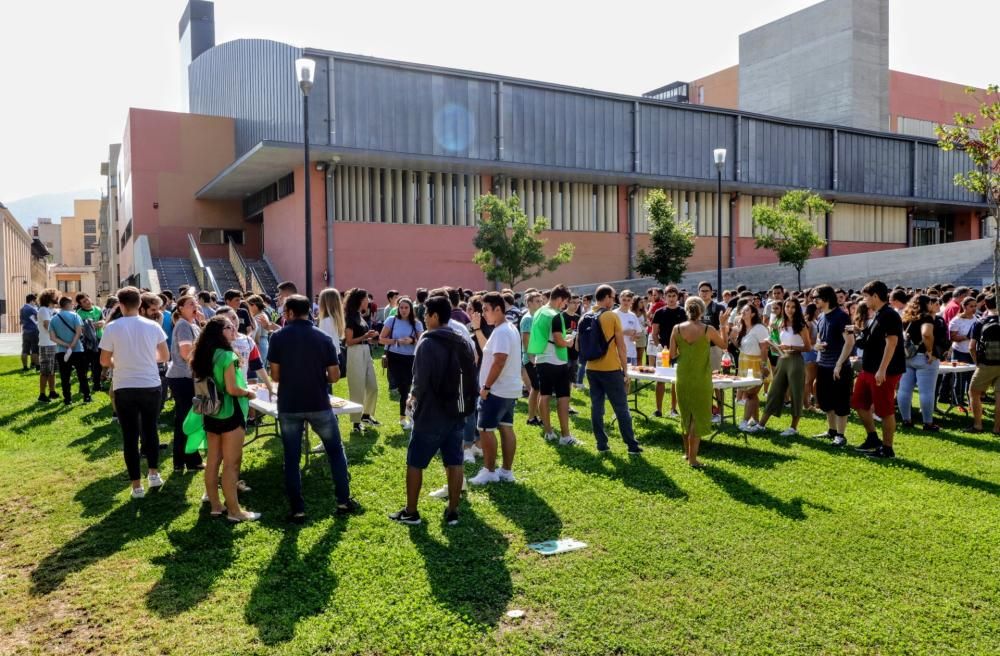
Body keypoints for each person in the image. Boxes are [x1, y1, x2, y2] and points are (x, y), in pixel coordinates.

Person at [268, 294, 360, 523]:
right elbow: (335, 376)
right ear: (309, 311)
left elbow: (275, 375)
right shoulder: (323, 338)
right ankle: (343, 500)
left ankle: (297, 508)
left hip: (289, 403)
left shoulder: (278, 337)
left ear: (289, 313)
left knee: (292, 457)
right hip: (319, 402)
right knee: (335, 452)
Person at [389, 295, 472, 526]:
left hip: (431, 414)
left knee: (415, 461)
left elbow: (420, 380)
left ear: (435, 316)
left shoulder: (427, 342)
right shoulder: (462, 339)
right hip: (457, 410)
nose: (423, 318)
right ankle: (453, 511)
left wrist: (411, 398)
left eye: (426, 314)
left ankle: (411, 512)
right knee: (454, 460)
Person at [98, 287, 168, 499]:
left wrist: (119, 362)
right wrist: (145, 358)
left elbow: (103, 360)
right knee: (150, 429)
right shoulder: (153, 326)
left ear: (120, 305)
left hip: (124, 385)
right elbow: (164, 355)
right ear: (140, 304)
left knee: (130, 436)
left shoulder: (112, 327)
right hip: (150, 383)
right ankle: (154, 473)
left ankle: (136, 486)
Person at [189, 316, 259, 521]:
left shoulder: (202, 355)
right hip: (230, 413)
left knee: (213, 461)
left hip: (210, 412)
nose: (233, 329)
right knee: (231, 463)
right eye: (228, 327)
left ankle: (216, 506)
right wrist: (248, 393)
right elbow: (232, 389)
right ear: (219, 332)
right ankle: (235, 512)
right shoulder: (227, 356)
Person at [468, 292, 522, 485]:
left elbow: (499, 361)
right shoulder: (506, 329)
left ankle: (489, 471)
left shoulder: (502, 332)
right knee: (506, 428)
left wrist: (486, 387)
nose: (484, 314)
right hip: (507, 389)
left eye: (486, 310)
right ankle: (506, 471)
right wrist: (476, 329)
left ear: (498, 309)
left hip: (496, 390)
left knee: (484, 429)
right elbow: (488, 352)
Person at [669, 296, 729, 467]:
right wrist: (723, 324)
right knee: (698, 415)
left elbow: (672, 355)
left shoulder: (677, 329)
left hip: (683, 376)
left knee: (686, 414)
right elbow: (724, 345)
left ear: (686, 309)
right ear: (702, 311)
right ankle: (693, 459)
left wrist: (687, 356)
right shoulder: (708, 329)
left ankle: (688, 455)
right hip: (701, 378)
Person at [583, 285, 642, 454]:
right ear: (607, 297)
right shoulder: (611, 316)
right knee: (621, 407)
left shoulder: (585, 316)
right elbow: (621, 347)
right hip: (610, 368)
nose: (614, 300)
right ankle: (632, 445)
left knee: (596, 406)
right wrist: (625, 370)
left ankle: (601, 444)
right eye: (614, 297)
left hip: (591, 368)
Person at [852, 280, 906, 459]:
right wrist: (857, 332)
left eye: (866, 296)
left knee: (885, 410)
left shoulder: (889, 315)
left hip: (884, 371)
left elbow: (892, 343)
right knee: (859, 403)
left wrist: (882, 369)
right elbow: (871, 340)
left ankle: (887, 448)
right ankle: (873, 438)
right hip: (868, 369)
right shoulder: (878, 314)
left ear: (875, 296)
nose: (864, 300)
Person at [526, 284, 578, 446]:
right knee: (563, 397)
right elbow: (559, 340)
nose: (565, 306)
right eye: (565, 302)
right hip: (557, 359)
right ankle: (565, 436)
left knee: (545, 394)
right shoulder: (555, 315)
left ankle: (548, 432)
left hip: (541, 358)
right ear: (561, 299)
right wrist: (569, 342)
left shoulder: (539, 311)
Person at [756, 298, 812, 436]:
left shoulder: (801, 325)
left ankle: (793, 428)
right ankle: (761, 424)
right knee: (775, 391)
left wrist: (790, 347)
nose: (790, 309)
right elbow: (782, 342)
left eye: (793, 307)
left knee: (796, 392)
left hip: (795, 360)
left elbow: (808, 347)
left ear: (797, 308)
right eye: (787, 306)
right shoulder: (781, 322)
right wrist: (773, 344)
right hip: (782, 358)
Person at [165, 295, 205, 473]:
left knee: (188, 418)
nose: (195, 306)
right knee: (186, 419)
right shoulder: (182, 325)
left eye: (196, 303)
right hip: (183, 377)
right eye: (190, 304)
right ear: (180, 308)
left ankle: (186, 459)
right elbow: (186, 353)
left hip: (188, 377)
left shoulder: (193, 325)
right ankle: (185, 460)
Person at [812, 285, 854, 447]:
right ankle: (831, 430)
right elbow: (820, 338)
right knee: (825, 400)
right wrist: (817, 346)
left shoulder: (842, 317)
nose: (814, 300)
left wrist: (839, 364)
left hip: (839, 366)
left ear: (826, 299)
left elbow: (850, 342)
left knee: (840, 401)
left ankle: (841, 435)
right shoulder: (822, 316)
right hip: (823, 364)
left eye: (817, 297)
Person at [896, 294, 941, 431]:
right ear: (926, 304)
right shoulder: (927, 317)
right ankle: (928, 422)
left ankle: (906, 420)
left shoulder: (906, 317)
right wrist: (929, 350)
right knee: (926, 391)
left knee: (904, 390)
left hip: (907, 356)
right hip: (923, 357)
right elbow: (926, 333)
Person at [379, 296, 424, 429]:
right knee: (401, 387)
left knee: (406, 388)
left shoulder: (417, 323)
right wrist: (395, 341)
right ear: (397, 308)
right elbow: (381, 339)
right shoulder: (391, 320)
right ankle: (405, 416)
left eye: (406, 307)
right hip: (394, 357)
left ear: (411, 309)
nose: (403, 310)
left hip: (410, 358)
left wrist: (411, 341)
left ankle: (405, 417)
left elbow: (422, 342)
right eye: (401, 307)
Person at [344, 287, 380, 432]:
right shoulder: (350, 317)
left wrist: (371, 339)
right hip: (355, 353)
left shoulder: (360, 315)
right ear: (360, 300)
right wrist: (365, 337)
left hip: (365, 350)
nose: (368, 301)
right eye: (366, 298)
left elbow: (362, 339)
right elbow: (349, 341)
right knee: (357, 387)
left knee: (373, 386)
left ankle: (366, 415)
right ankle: (356, 422)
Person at [650, 285, 685, 417]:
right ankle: (658, 409)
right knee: (661, 379)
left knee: (676, 380)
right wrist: (660, 346)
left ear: (678, 297)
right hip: (663, 350)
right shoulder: (659, 312)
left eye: (673, 296)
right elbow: (654, 333)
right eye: (669, 296)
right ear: (664, 297)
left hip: (679, 351)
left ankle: (673, 409)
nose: (671, 299)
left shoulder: (683, 312)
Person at [735, 303, 771, 432]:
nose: (743, 312)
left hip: (757, 364)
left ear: (753, 314)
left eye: (747, 310)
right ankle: (755, 421)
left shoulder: (759, 328)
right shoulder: (743, 328)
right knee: (752, 395)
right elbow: (742, 347)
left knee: (750, 394)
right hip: (745, 363)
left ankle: (744, 421)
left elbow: (764, 348)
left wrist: (764, 366)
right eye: (742, 310)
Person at [49, 295, 91, 405]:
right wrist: (72, 344)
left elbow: (52, 337)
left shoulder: (53, 319)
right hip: (77, 349)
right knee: (82, 375)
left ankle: (67, 399)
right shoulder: (75, 315)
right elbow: (79, 332)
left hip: (61, 351)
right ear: (69, 304)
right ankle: (87, 396)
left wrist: (66, 344)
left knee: (65, 376)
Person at [968, 295, 1000, 434]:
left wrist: (977, 362)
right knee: (999, 395)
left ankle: (978, 425)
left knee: (973, 392)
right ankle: (997, 428)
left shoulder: (980, 321)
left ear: (985, 305)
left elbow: (971, 346)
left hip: (986, 363)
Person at [948, 296, 978, 409]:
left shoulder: (977, 319)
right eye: (971, 306)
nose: (974, 308)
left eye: (975, 306)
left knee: (972, 379)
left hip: (973, 352)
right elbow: (953, 337)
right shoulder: (956, 320)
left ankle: (972, 402)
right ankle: (959, 402)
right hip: (960, 351)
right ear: (964, 307)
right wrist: (967, 336)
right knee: (960, 378)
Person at [520, 292, 544, 425]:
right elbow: (526, 340)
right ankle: (531, 417)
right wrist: (532, 358)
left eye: (541, 301)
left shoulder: (537, 316)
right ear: (529, 303)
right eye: (537, 301)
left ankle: (536, 416)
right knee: (536, 388)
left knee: (537, 388)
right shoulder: (528, 318)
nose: (541, 303)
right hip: (531, 359)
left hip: (538, 357)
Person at [75, 292, 105, 392]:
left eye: (88, 299)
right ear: (81, 304)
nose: (87, 302)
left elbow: (103, 321)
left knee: (97, 364)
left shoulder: (98, 309)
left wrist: (93, 325)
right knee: (84, 365)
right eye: (84, 301)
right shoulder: (79, 313)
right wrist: (93, 325)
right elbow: (81, 328)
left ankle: (97, 385)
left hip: (98, 340)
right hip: (85, 342)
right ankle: (83, 386)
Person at [36, 289, 59, 403]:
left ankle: (52, 391)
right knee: (45, 370)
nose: (57, 298)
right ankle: (42, 394)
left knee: (52, 370)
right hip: (46, 344)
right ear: (49, 298)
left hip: (53, 343)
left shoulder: (51, 310)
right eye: (55, 296)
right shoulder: (43, 310)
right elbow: (47, 325)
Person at [613, 290, 642, 365]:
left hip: (631, 352)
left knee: (629, 376)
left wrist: (635, 336)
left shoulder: (632, 315)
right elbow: (609, 333)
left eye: (628, 300)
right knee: (620, 376)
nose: (626, 302)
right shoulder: (614, 314)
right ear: (619, 299)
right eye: (624, 300)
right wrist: (624, 332)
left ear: (632, 301)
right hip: (617, 352)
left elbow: (639, 332)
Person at [21, 293, 39, 371]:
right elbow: (38, 318)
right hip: (33, 331)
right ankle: (37, 366)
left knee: (24, 350)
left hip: (25, 331)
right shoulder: (32, 309)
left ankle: (25, 367)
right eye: (35, 301)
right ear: (32, 301)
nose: (35, 303)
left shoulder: (22, 308)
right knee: (35, 349)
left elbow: (21, 320)